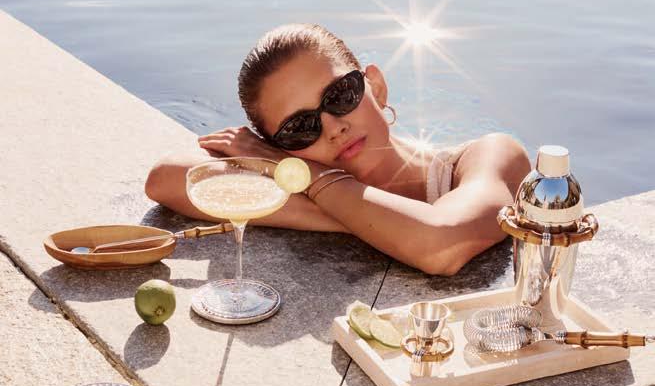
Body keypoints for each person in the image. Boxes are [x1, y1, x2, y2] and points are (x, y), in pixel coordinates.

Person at [145, 23, 530, 275]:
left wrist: (310, 178)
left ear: (375, 87)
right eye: (300, 128)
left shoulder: (493, 155)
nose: (333, 127)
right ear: (282, 149)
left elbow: (440, 246)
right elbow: (166, 178)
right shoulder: (304, 180)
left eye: (340, 96)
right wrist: (372, 224)